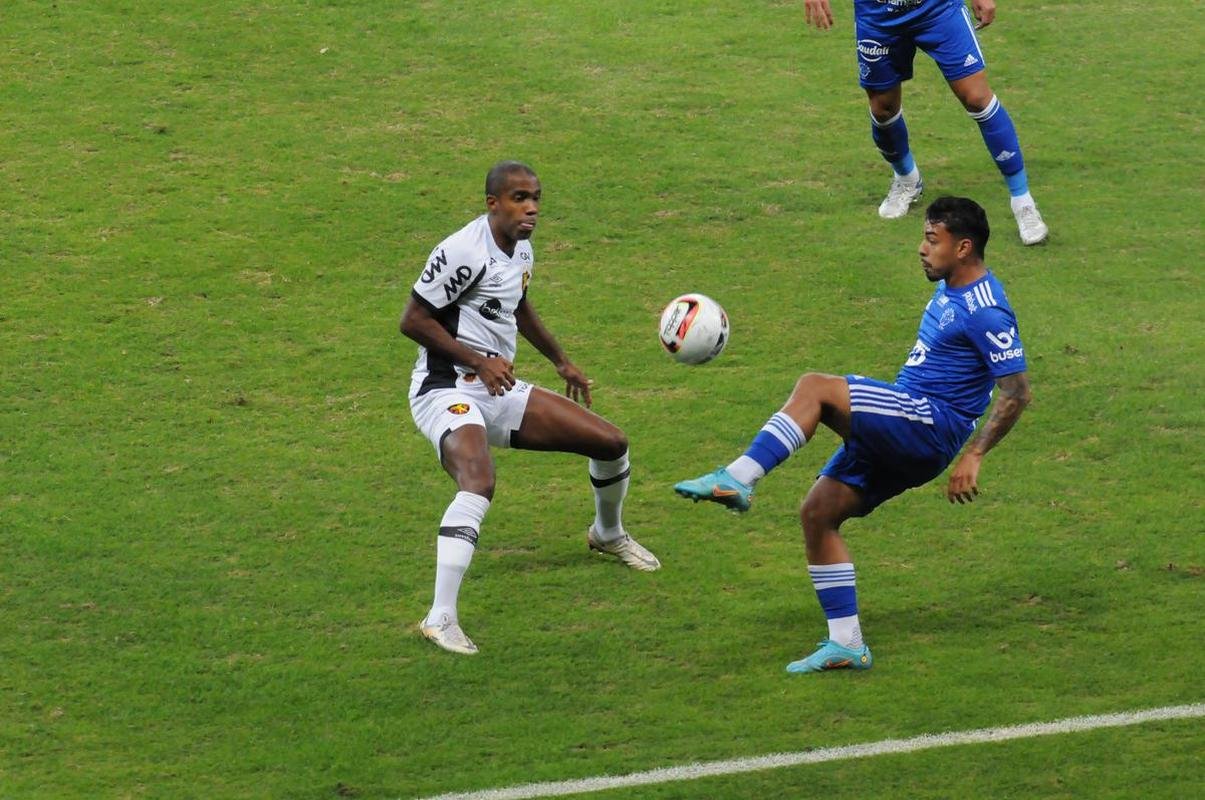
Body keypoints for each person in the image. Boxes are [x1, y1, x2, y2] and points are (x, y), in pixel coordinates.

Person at [674, 196, 1031, 674]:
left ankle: (738, 477)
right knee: (818, 513)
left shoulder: (986, 310)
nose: (922, 249)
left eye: (932, 240)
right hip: (910, 423)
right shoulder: (953, 288)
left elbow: (1017, 391)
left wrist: (975, 455)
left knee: (815, 388)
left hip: (929, 423)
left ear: (963, 247)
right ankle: (847, 644)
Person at [402, 161, 660, 656]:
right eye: (520, 198)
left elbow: (517, 307)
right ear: (492, 203)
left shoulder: (520, 247)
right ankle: (440, 617)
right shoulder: (461, 251)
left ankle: (607, 534)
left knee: (611, 443)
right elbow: (413, 320)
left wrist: (562, 362)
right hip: (444, 388)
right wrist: (479, 360)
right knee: (478, 480)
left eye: (537, 197)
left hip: (496, 386)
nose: (533, 208)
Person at [803, 0, 1049, 245]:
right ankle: (907, 179)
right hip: (879, 17)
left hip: (937, 9)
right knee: (883, 109)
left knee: (977, 98)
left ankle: (1023, 202)